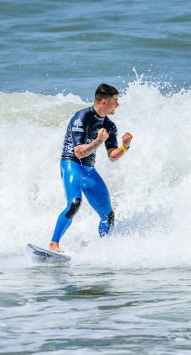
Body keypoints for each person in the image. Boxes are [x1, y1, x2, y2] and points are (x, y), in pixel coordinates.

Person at [49, 83, 133, 253]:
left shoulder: (110, 126)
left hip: (88, 170)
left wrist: (125, 147)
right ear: (104, 102)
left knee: (108, 215)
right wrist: (98, 141)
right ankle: (53, 245)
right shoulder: (81, 117)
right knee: (74, 203)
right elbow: (79, 153)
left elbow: (112, 156)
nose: (118, 105)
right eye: (115, 101)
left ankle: (105, 249)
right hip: (71, 164)